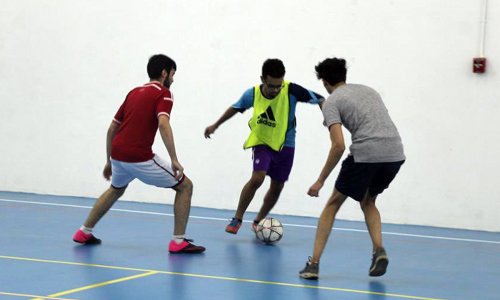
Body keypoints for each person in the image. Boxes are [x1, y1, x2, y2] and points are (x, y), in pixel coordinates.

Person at [72, 54, 205, 254]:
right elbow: (163, 123)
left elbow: (111, 129)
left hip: (118, 155)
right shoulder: (164, 93)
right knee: (185, 186)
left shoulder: (133, 92)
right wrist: (174, 159)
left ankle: (83, 232)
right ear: (164, 73)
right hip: (139, 157)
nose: (173, 79)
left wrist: (108, 161)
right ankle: (178, 242)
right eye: (173, 74)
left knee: (116, 189)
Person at [299, 57, 405, 279]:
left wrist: (320, 180)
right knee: (368, 200)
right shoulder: (369, 90)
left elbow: (338, 146)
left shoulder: (332, 101)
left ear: (325, 82)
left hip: (366, 153)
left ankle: (314, 265)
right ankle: (379, 250)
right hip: (395, 153)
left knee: (332, 203)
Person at [204, 58, 324, 234]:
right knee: (258, 178)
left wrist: (328, 118)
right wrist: (216, 125)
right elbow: (236, 108)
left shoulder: (292, 90)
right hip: (262, 141)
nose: (275, 90)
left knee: (277, 186)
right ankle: (237, 218)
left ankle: (258, 220)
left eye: (278, 85)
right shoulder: (252, 94)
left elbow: (321, 99)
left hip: (286, 144)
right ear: (262, 79)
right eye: (271, 86)